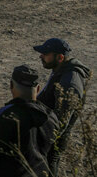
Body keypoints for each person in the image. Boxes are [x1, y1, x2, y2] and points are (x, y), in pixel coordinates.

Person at [33, 38, 91, 175]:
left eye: (45, 54)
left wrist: (44, 140)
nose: (41, 56)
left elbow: (61, 122)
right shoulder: (61, 68)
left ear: (60, 57)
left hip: (52, 137)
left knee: (48, 166)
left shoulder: (69, 83)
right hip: (47, 128)